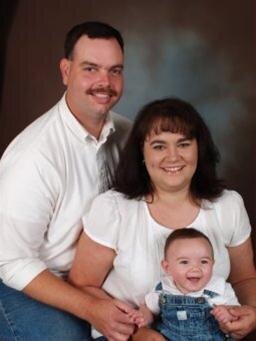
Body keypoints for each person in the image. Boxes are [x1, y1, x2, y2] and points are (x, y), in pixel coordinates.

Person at [69, 97, 256, 341]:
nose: (173, 156)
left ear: (199, 148)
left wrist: (251, 312)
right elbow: (83, 284)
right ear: (142, 154)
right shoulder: (114, 209)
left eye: (183, 144)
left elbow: (244, 278)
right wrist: (136, 332)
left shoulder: (227, 205)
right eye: (159, 146)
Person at [0, 21, 136, 341]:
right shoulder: (34, 157)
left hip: (99, 275)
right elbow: (11, 261)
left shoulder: (130, 135)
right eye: (91, 68)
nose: (105, 82)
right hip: (29, 277)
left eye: (115, 71)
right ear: (66, 70)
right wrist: (90, 308)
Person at [131, 228, 239, 340]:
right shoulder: (164, 288)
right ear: (167, 268)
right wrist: (143, 317)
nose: (195, 269)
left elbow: (237, 316)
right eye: (184, 262)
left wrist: (227, 315)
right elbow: (149, 309)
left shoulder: (219, 288)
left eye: (204, 261)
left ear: (213, 264)